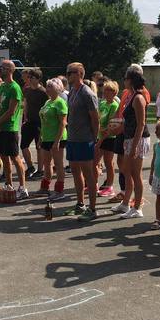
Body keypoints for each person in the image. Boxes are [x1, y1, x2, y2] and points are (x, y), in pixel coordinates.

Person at [108, 65, 151, 205]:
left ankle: (137, 207)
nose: (124, 80)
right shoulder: (130, 95)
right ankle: (125, 203)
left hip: (137, 139)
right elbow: (128, 120)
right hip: (129, 137)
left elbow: (141, 124)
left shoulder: (138, 97)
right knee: (126, 171)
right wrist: (118, 129)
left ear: (131, 80)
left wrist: (134, 147)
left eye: (125, 78)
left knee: (135, 174)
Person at [63, 62, 100, 221]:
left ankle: (92, 209)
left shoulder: (87, 93)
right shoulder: (72, 91)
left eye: (70, 72)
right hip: (72, 138)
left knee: (88, 174)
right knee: (75, 172)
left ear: (79, 74)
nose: (67, 75)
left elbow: (95, 119)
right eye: (67, 72)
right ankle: (80, 204)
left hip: (85, 139)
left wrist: (94, 139)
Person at [0, 60, 28, 199]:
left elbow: (11, 111)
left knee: (15, 157)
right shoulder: (1, 88)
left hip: (9, 128)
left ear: (10, 70)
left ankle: (22, 188)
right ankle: (9, 185)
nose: (0, 69)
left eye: (2, 67)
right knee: (3, 156)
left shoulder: (15, 88)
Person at [38, 77, 68, 200]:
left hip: (57, 138)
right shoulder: (47, 102)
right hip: (46, 137)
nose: (48, 89)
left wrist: (57, 141)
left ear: (58, 89)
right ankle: (45, 187)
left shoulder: (60, 102)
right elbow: (43, 121)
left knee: (58, 164)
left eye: (50, 87)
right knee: (46, 163)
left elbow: (63, 123)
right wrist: (41, 137)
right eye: (47, 86)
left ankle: (59, 190)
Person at [21, 67, 48, 179]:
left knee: (39, 146)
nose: (29, 79)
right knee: (23, 146)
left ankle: (40, 170)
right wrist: (25, 117)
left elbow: (47, 107)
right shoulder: (27, 90)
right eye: (29, 77)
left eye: (32, 77)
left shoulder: (43, 92)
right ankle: (31, 167)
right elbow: (26, 103)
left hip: (40, 123)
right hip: (29, 121)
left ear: (38, 78)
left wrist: (45, 123)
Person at [96, 80, 120, 197]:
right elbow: (98, 119)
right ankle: (93, 184)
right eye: (105, 90)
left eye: (109, 90)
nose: (106, 92)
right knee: (94, 161)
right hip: (100, 136)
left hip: (109, 137)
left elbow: (111, 125)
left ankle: (109, 187)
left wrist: (101, 138)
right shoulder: (103, 103)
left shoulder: (114, 105)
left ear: (114, 92)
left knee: (108, 163)